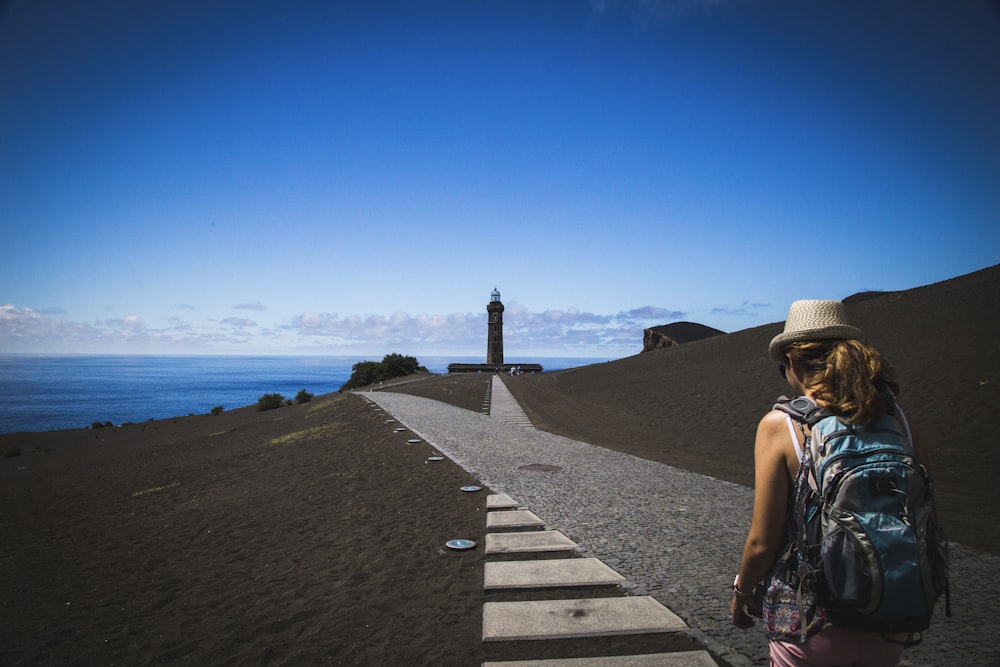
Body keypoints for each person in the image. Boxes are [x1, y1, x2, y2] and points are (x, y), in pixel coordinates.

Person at [730, 300, 924, 666]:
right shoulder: (897, 419)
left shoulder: (783, 425)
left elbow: (763, 540)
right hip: (890, 618)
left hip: (811, 621)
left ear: (795, 362)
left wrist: (741, 591)